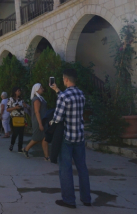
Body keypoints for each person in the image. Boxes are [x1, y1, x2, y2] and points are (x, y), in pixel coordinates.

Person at [50, 68, 91, 209]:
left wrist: (50, 122)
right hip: (79, 136)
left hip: (67, 138)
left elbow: (57, 118)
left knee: (65, 169)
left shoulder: (64, 97)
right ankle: (86, 198)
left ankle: (69, 200)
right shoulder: (80, 94)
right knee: (82, 168)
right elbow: (72, 103)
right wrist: (57, 90)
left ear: (66, 79)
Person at [23, 83, 49, 160]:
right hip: (38, 121)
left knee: (44, 138)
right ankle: (26, 149)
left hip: (42, 120)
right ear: (37, 89)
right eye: (41, 88)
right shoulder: (36, 99)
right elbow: (37, 112)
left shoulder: (40, 98)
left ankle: (46, 156)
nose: (42, 89)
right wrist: (40, 124)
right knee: (37, 138)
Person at [7, 87, 28, 153]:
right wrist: (15, 107)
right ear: (15, 92)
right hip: (14, 118)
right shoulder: (10, 99)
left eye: (20, 91)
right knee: (15, 133)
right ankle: (12, 144)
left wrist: (25, 105)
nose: (19, 92)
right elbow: (7, 109)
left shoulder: (21, 99)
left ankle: (20, 148)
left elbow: (25, 107)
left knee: (21, 133)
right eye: (18, 91)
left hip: (21, 117)